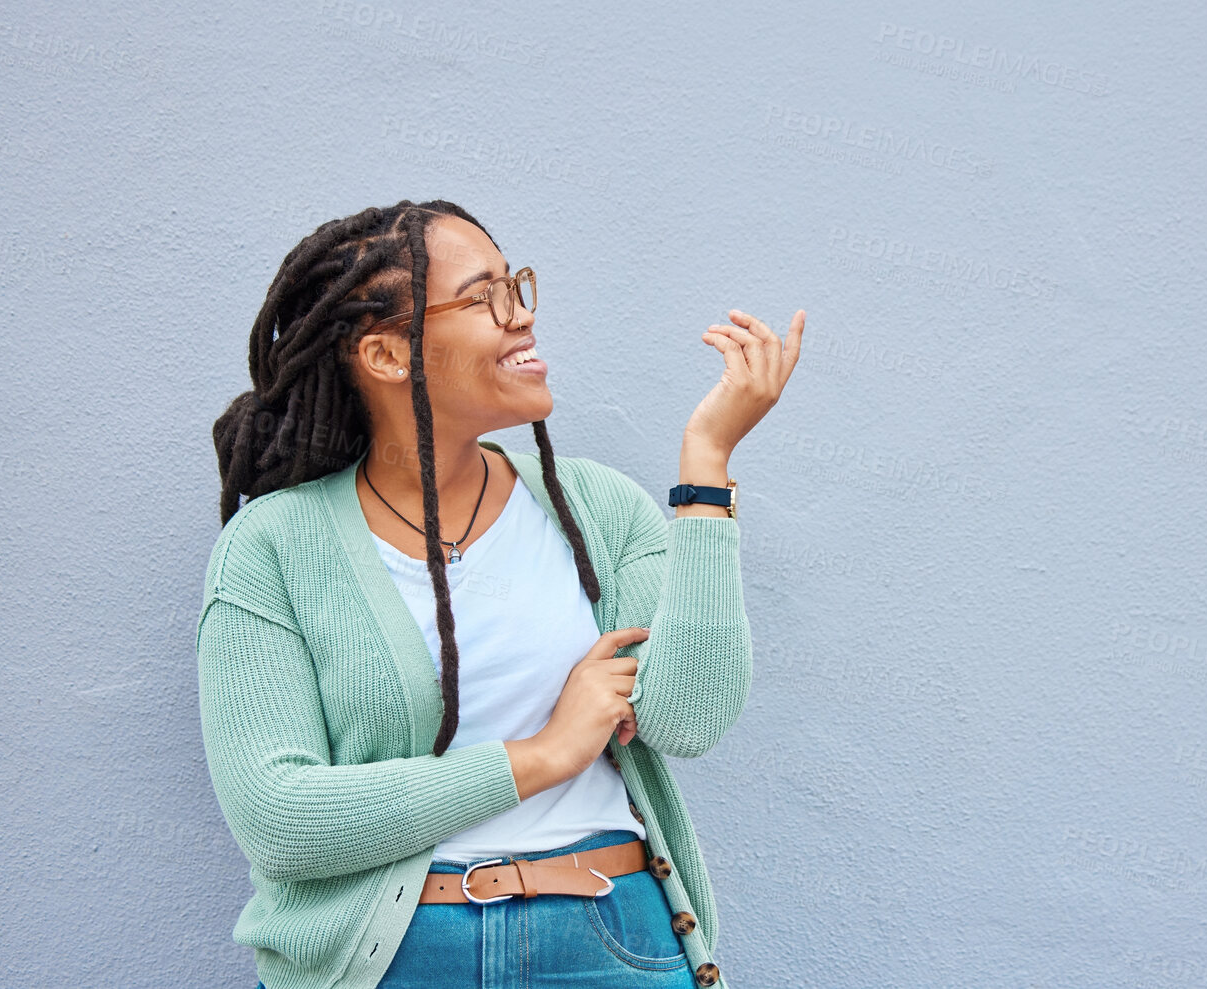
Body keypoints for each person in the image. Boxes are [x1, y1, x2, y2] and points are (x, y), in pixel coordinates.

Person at [197, 200, 804, 988]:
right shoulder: (274, 546)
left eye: (516, 285)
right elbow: (281, 820)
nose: (520, 317)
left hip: (609, 941)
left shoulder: (597, 508)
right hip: (392, 957)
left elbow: (686, 719)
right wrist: (542, 754)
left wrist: (707, 465)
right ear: (385, 353)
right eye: (484, 296)